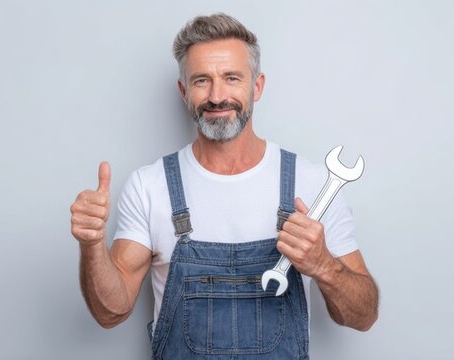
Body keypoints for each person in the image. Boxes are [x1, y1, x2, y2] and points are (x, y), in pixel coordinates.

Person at [69, 13, 378, 359]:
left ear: (256, 86)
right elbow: (110, 312)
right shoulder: (149, 186)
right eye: (202, 80)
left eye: (231, 78)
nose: (217, 97)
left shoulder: (314, 184)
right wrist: (91, 246)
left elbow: (363, 316)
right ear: (184, 91)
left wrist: (323, 265)